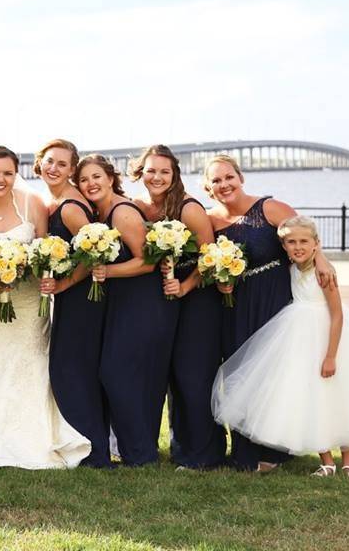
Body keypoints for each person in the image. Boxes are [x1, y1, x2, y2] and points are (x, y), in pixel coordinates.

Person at [0, 146, 90, 469]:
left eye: (8, 173)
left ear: (16, 174)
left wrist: (21, 271)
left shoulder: (32, 203)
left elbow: (44, 251)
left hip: (27, 300)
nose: (1, 179)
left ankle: (31, 439)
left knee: (29, 362)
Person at [212, 216, 349, 479]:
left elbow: (337, 314)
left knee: (341, 396)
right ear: (283, 247)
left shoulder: (324, 273)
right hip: (299, 338)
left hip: (330, 338)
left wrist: (331, 356)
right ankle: (326, 461)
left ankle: (348, 462)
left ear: (316, 244)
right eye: (291, 242)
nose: (297, 247)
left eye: (304, 241)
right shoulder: (290, 269)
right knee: (311, 396)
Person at [204, 154, 337, 472]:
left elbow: (302, 234)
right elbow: (208, 261)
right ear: (208, 187)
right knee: (240, 374)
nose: (224, 185)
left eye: (228, 177)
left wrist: (322, 261)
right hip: (234, 304)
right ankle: (244, 453)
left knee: (273, 374)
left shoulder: (269, 208)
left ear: (241, 177)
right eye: (216, 180)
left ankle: (274, 452)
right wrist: (220, 280)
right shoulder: (209, 220)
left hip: (274, 300)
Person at [131, 145, 226, 469]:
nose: (157, 177)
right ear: (140, 173)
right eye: (151, 170)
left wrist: (185, 285)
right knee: (167, 373)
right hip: (161, 302)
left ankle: (203, 453)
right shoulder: (139, 207)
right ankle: (176, 448)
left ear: (175, 175)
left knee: (192, 375)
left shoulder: (188, 208)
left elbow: (210, 255)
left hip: (197, 301)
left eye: (164, 171)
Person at [78, 154, 176, 466]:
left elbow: (147, 261)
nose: (90, 184)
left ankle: (140, 453)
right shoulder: (103, 211)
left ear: (110, 178)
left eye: (96, 177)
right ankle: (136, 449)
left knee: (117, 374)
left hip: (142, 303)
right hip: (122, 304)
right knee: (124, 376)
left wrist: (107, 272)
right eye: (83, 180)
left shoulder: (121, 212)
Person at [35, 139, 111, 468]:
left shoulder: (69, 207)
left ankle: (92, 452)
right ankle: (87, 446)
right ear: (39, 163)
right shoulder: (58, 201)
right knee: (75, 371)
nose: (54, 168)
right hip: (73, 298)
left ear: (71, 170)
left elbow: (96, 251)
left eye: (62, 164)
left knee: (71, 371)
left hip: (83, 299)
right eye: (49, 161)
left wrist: (65, 282)